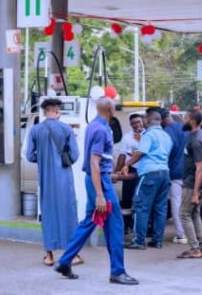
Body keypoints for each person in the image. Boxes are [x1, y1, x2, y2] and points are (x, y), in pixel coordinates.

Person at [54, 97, 138, 285]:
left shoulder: (93, 126)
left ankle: (65, 261)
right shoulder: (101, 130)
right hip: (100, 183)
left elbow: (99, 161)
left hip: (97, 180)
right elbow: (94, 162)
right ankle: (118, 271)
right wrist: (100, 194)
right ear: (111, 110)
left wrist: (108, 175)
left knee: (90, 221)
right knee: (115, 225)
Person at [26, 98, 81, 267]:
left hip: (45, 178)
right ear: (57, 111)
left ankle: (49, 255)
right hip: (64, 177)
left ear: (45, 112)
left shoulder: (35, 130)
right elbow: (75, 155)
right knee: (68, 212)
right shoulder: (66, 129)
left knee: (48, 213)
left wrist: (43, 158)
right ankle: (72, 255)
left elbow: (29, 155)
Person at [127, 109, 172, 250]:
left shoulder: (148, 135)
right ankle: (157, 241)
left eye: (144, 118)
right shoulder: (167, 136)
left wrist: (127, 164)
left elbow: (140, 153)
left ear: (149, 119)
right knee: (160, 209)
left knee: (141, 207)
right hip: (165, 173)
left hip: (149, 174)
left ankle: (138, 241)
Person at [177, 111, 202, 259]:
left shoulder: (195, 141)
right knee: (194, 213)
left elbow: (199, 168)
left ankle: (194, 249)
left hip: (193, 183)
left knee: (184, 214)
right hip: (200, 181)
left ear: (192, 121)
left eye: (185, 118)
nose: (183, 120)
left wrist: (195, 193)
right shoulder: (201, 135)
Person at [114, 114, 144, 232]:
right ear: (130, 124)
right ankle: (126, 225)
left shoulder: (148, 135)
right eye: (134, 123)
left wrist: (141, 139)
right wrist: (117, 171)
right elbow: (122, 155)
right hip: (131, 169)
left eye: (138, 122)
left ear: (143, 122)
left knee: (141, 199)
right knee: (126, 198)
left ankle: (140, 226)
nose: (137, 125)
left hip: (145, 170)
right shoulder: (127, 137)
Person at [163, 109, 189, 246]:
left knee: (176, 203)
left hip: (174, 172)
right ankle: (192, 233)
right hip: (189, 171)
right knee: (189, 204)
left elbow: (166, 152)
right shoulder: (186, 129)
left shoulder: (167, 132)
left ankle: (181, 235)